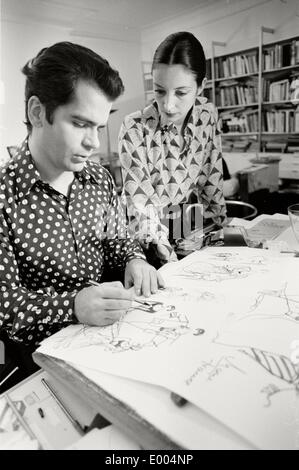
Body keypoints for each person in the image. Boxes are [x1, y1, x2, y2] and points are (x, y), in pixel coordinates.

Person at [0, 42, 164, 358]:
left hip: (117, 339)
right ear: (37, 112)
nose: (93, 142)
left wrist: (135, 259)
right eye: (79, 124)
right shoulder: (4, 197)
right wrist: (73, 306)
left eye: (99, 127)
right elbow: (5, 305)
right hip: (47, 359)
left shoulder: (100, 178)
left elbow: (116, 240)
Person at [119, 31, 227, 267]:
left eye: (181, 92)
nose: (168, 105)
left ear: (201, 86)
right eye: (159, 91)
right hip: (146, 232)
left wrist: (222, 232)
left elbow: (211, 181)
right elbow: (142, 208)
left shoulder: (208, 114)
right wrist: (168, 257)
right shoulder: (134, 128)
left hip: (187, 218)